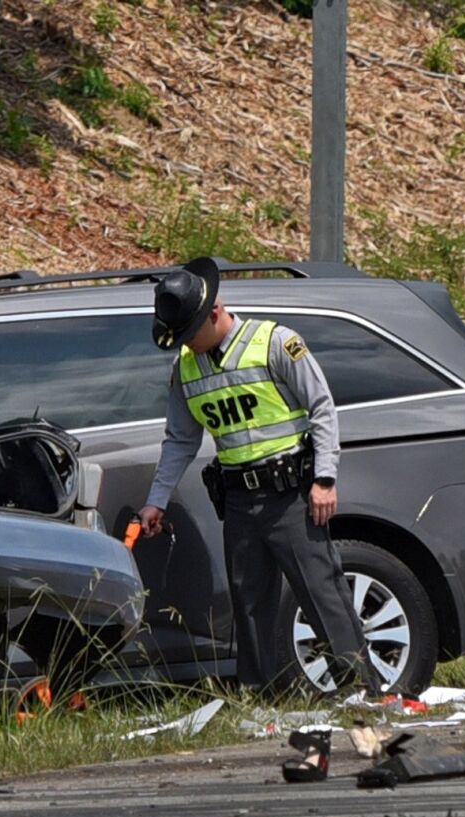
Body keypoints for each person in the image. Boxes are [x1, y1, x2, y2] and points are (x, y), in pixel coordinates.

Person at [137, 257, 379, 782]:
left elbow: (321, 409)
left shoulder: (275, 344)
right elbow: (180, 440)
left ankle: (360, 689)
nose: (185, 343)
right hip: (240, 501)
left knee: (321, 591)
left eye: (189, 331)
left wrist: (325, 478)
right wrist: (156, 500)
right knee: (250, 602)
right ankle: (262, 699)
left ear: (215, 312)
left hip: (292, 494)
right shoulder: (186, 369)